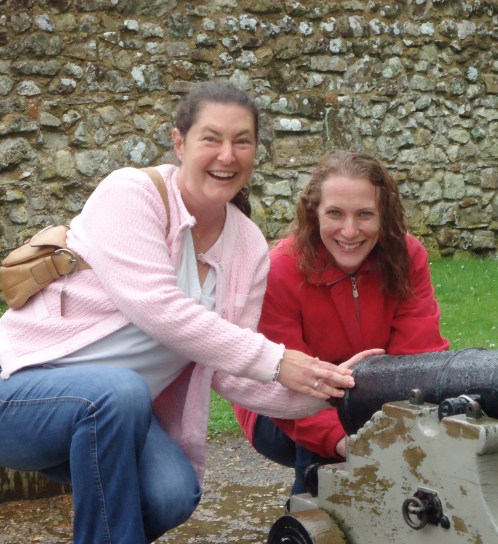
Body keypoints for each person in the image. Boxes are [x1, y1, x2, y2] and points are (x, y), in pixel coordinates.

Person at [0, 82, 378, 544]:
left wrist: (329, 389)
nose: (227, 155)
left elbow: (232, 373)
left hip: (113, 417)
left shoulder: (247, 245)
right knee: (117, 393)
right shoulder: (131, 193)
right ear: (179, 142)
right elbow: (157, 307)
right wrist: (279, 360)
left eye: (242, 141)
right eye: (211, 138)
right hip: (18, 391)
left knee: (172, 494)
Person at [234, 150, 449, 494]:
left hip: (373, 397)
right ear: (314, 213)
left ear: (384, 215)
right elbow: (288, 383)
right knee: (325, 451)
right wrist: (346, 443)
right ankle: (310, 507)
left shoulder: (407, 257)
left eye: (365, 214)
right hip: (279, 406)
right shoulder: (280, 270)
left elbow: (419, 358)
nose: (349, 231)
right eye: (335, 213)